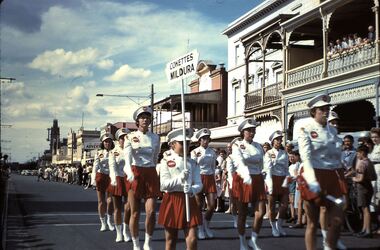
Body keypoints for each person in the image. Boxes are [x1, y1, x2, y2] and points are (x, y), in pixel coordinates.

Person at [298, 94, 345, 250]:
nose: (325, 112)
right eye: (322, 110)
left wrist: (341, 179)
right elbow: (306, 157)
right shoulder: (305, 128)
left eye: (327, 109)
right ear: (314, 112)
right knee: (312, 222)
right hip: (312, 174)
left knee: (338, 219)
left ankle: (329, 246)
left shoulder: (333, 130)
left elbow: (337, 157)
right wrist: (312, 181)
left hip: (331, 175)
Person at [158, 128, 202, 250]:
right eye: (182, 143)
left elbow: (199, 184)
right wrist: (180, 179)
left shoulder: (193, 163)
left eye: (188, 143)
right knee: (171, 241)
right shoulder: (166, 161)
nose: (186, 146)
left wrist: (192, 189)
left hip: (189, 199)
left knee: (192, 240)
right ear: (173, 144)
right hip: (172, 200)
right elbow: (164, 185)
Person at [123, 106, 161, 250]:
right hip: (135, 172)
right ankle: (135, 243)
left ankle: (147, 242)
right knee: (135, 212)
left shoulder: (155, 137)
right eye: (142, 117)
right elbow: (127, 160)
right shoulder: (129, 137)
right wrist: (129, 172)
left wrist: (155, 170)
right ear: (137, 121)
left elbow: (156, 156)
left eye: (147, 117)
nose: (145, 119)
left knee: (151, 212)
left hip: (150, 173)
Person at [232, 118, 266, 250]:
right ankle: (242, 241)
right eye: (249, 131)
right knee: (243, 213)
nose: (252, 133)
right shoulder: (237, 145)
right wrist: (246, 176)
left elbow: (262, 164)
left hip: (257, 179)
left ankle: (253, 239)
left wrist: (264, 175)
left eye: (253, 130)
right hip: (243, 178)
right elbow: (239, 162)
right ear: (243, 132)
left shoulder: (258, 146)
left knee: (261, 212)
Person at [191, 128, 217, 239]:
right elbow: (193, 166)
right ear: (199, 140)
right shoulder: (194, 152)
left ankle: (206, 225)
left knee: (211, 206)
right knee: (198, 205)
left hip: (210, 177)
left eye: (207, 139)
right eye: (203, 139)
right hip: (199, 177)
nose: (205, 141)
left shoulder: (212, 152)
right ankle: (200, 228)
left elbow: (213, 167)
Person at [263, 130, 289, 237]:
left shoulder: (284, 153)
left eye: (280, 139)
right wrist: (269, 185)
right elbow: (267, 169)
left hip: (283, 179)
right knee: (272, 206)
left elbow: (287, 169)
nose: (279, 141)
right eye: (277, 139)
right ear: (273, 141)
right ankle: (273, 227)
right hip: (272, 179)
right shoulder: (268, 153)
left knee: (284, 205)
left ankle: (279, 225)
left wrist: (287, 180)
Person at [109, 128, 132, 242]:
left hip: (129, 179)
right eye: (122, 138)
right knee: (117, 208)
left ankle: (126, 230)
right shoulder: (113, 152)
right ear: (118, 140)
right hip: (117, 179)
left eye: (126, 137)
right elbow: (112, 167)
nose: (124, 139)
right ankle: (119, 233)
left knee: (128, 207)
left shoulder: (132, 149)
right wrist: (113, 179)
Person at [91, 131, 115, 232]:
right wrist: (93, 179)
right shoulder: (98, 153)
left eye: (109, 141)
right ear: (102, 143)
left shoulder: (115, 152)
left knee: (110, 201)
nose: (107, 143)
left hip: (111, 176)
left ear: (111, 143)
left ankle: (109, 220)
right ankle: (103, 222)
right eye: (105, 142)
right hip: (101, 176)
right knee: (101, 201)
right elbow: (95, 167)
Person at [349, 145, 374, 237]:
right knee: (365, 208)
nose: (357, 155)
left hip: (362, 187)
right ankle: (364, 229)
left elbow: (360, 179)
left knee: (365, 209)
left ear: (362, 153)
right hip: (369, 187)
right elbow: (373, 177)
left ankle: (367, 230)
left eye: (358, 153)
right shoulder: (369, 162)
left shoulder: (362, 163)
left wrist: (353, 179)